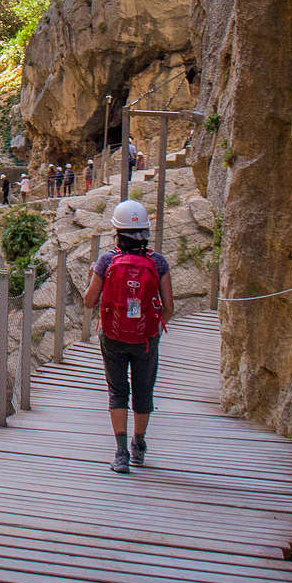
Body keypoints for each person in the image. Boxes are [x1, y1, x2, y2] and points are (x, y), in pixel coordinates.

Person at [82, 200, 174, 474]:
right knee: (144, 390)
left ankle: (120, 453)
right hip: (146, 338)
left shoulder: (106, 261)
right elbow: (169, 307)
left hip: (112, 335)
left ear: (117, 232)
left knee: (117, 391)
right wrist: (154, 328)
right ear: (145, 231)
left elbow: (89, 302)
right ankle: (139, 446)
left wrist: (91, 279)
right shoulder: (157, 262)